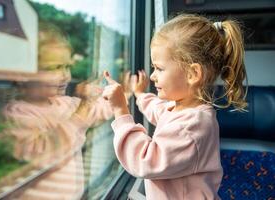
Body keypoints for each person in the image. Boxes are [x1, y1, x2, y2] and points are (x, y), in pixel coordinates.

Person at [102, 13, 247, 200]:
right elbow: (158, 108)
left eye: (159, 68)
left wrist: (121, 111)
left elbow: (144, 161)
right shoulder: (181, 109)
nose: (153, 76)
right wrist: (139, 94)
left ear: (193, 74)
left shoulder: (191, 126)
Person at [2, 24, 131, 199]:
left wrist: (122, 95)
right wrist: (81, 111)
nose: (66, 76)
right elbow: (44, 153)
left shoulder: (64, 103)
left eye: (67, 67)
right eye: (54, 68)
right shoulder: (18, 114)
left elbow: (96, 111)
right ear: (22, 72)